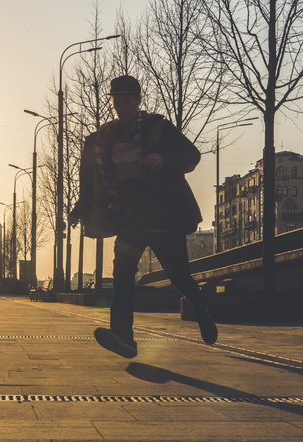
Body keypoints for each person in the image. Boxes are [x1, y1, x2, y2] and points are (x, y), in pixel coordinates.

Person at [68, 75, 217, 358]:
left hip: (163, 217)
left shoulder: (157, 128)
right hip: (129, 219)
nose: (122, 106)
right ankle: (123, 336)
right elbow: (92, 179)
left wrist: (167, 160)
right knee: (123, 275)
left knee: (179, 277)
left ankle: (201, 310)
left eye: (128, 100)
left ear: (138, 101)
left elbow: (191, 154)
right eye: (117, 101)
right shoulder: (104, 138)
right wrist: (80, 208)